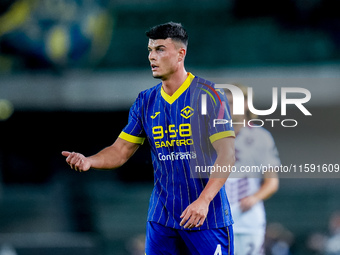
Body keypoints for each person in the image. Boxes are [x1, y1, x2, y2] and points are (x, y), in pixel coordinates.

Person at [62, 22, 236, 255]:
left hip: (207, 217)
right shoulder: (145, 101)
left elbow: (227, 155)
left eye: (160, 49)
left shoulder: (210, 95)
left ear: (180, 54)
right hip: (162, 219)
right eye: (150, 50)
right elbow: (121, 150)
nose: (152, 57)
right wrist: (90, 161)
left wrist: (204, 200)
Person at [224, 85, 280, 255]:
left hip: (248, 221)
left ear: (246, 104)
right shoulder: (208, 137)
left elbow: (272, 182)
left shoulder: (261, 137)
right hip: (217, 220)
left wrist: (254, 198)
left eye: (233, 102)